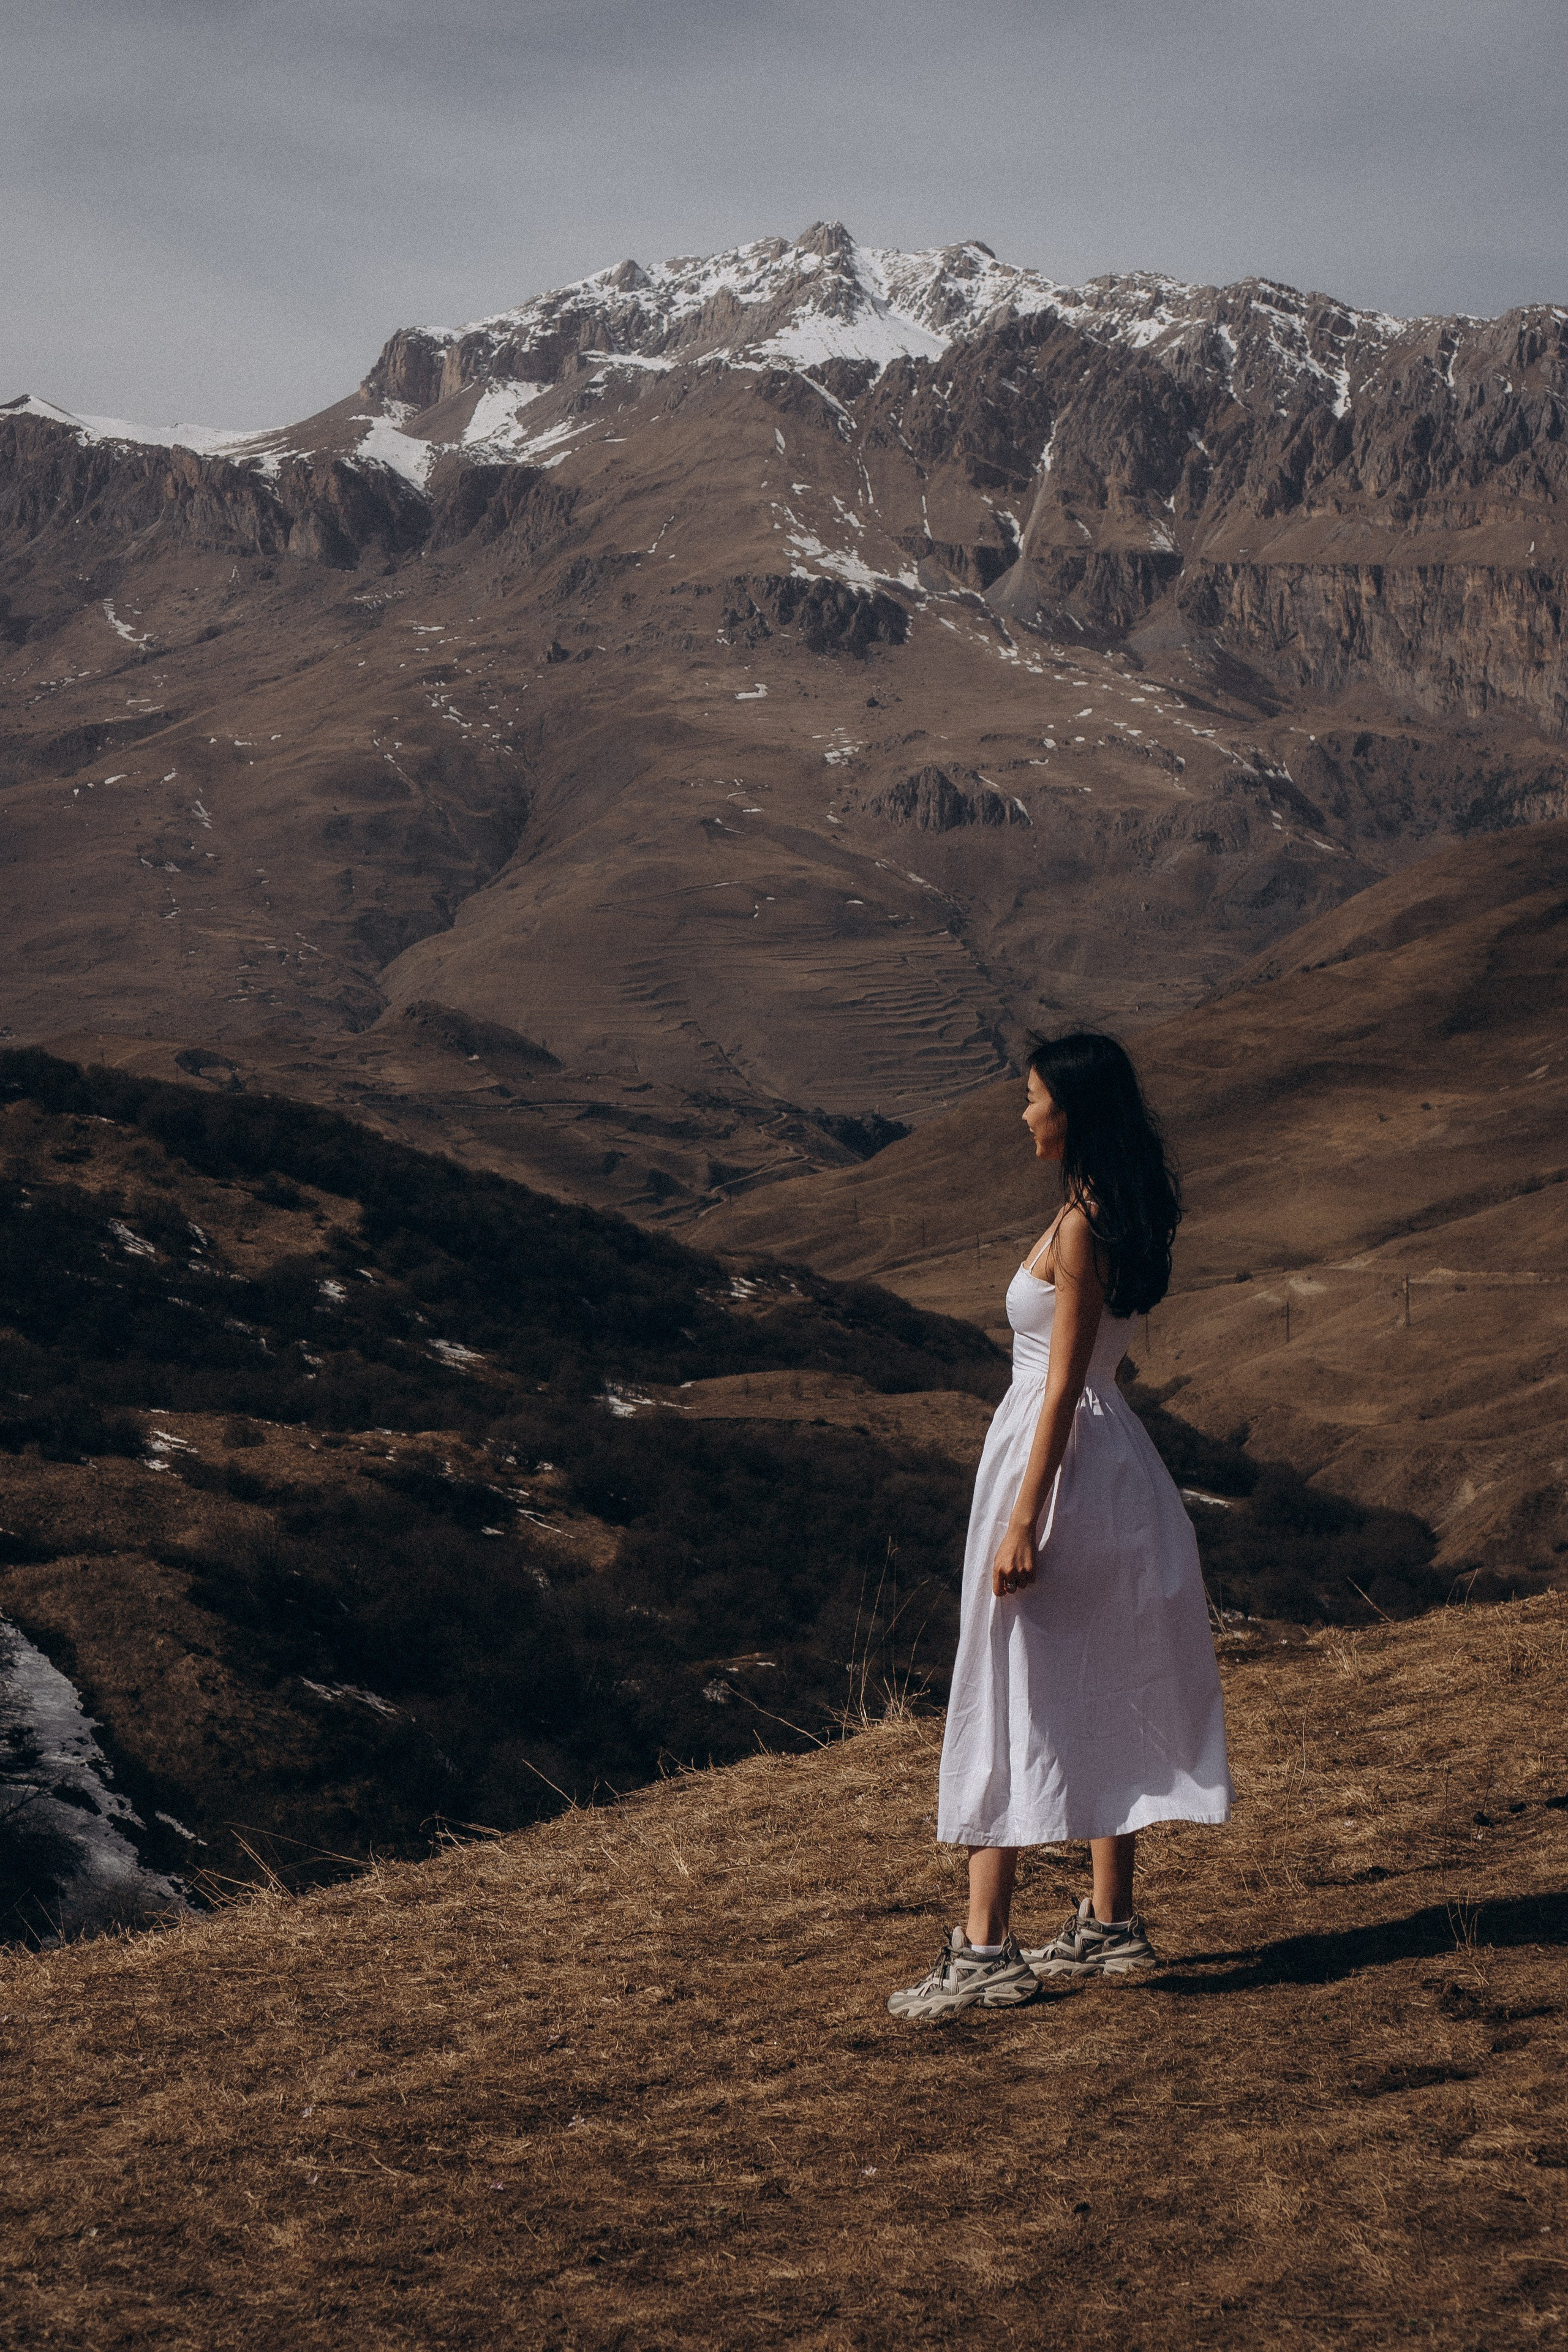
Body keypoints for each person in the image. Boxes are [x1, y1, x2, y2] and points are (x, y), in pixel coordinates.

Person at [889, 1031, 1232, 2021]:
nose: (1023, 1111)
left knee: (1008, 1688)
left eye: (1034, 1095)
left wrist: (1021, 1520)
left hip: (1064, 1467)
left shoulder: (1081, 1228)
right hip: (1110, 1463)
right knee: (1105, 1675)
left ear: (1072, 1113)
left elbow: (1061, 1388)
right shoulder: (1103, 1210)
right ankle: (1110, 1921)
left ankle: (985, 1949)